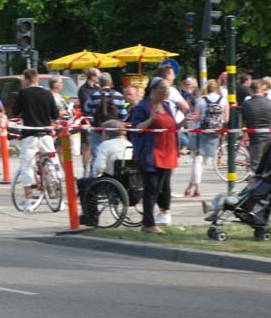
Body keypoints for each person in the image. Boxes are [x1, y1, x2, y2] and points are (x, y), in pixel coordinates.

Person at [131, 77, 179, 234]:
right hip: (151, 154)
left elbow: (171, 126)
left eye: (167, 89)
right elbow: (136, 129)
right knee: (151, 189)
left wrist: (184, 123)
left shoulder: (166, 105)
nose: (166, 91)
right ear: (153, 90)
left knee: (161, 189)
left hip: (168, 152)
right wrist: (151, 119)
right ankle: (148, 224)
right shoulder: (142, 107)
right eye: (163, 88)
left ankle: (159, 217)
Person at [13, 68, 60, 212]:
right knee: (52, 164)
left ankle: (28, 199)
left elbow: (15, 111)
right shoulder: (47, 94)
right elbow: (55, 114)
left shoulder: (24, 93)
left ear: (26, 80)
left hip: (29, 136)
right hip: (46, 135)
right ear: (38, 79)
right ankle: (57, 195)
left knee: (26, 165)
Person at [77, 119, 133, 223]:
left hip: (110, 181)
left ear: (106, 132)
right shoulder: (128, 143)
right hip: (127, 181)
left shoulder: (105, 145)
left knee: (83, 183)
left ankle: (90, 216)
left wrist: (94, 176)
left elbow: (99, 166)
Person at [183, 79, 229, 198]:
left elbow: (196, 118)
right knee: (202, 163)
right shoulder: (223, 100)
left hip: (200, 132)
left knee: (197, 161)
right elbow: (227, 119)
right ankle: (190, 187)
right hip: (214, 133)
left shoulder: (201, 101)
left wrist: (190, 117)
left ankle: (197, 188)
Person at [84, 72, 128, 176]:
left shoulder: (94, 95)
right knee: (117, 155)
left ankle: (95, 179)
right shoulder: (119, 96)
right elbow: (123, 115)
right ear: (111, 82)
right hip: (116, 132)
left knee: (97, 156)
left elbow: (87, 110)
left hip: (99, 130)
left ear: (99, 83)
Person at [241, 79, 271, 170]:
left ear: (251, 90)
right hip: (270, 139)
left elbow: (243, 121)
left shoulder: (246, 104)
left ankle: (258, 183)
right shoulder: (269, 103)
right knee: (268, 167)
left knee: (256, 167)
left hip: (256, 140)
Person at [77, 68, 100, 175]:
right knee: (87, 145)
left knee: (95, 145)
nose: (99, 78)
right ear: (93, 77)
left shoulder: (97, 88)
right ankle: (85, 169)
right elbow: (87, 104)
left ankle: (93, 166)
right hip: (87, 120)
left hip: (96, 120)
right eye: (98, 75)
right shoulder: (83, 89)